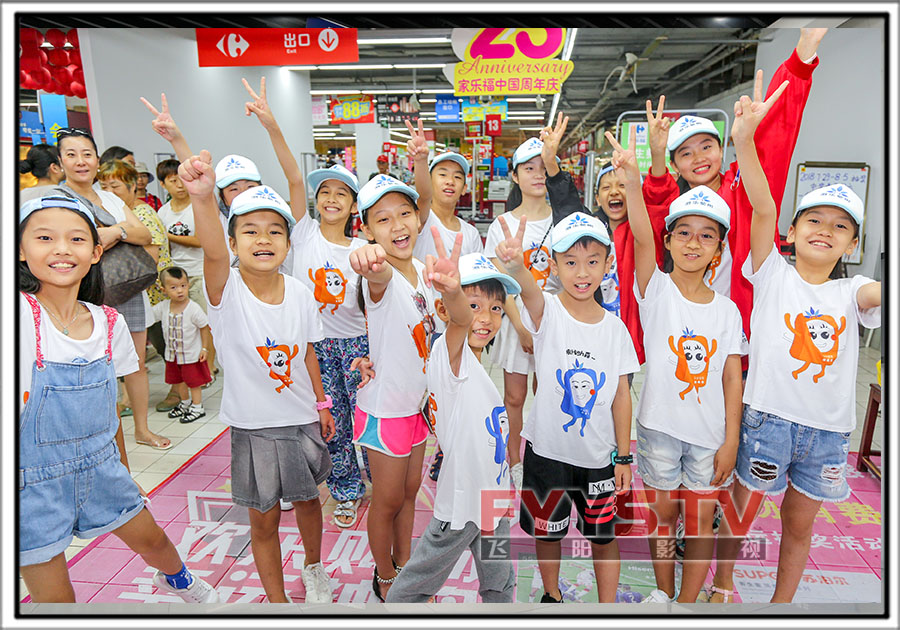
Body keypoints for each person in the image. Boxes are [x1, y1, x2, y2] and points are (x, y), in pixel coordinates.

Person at [704, 77, 881, 604]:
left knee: (799, 526)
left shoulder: (854, 292)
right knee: (741, 511)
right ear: (794, 230)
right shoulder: (772, 274)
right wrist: (743, 142)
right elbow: (760, 206)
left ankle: (782, 606)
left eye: (840, 226)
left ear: (853, 242)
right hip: (767, 421)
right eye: (813, 219)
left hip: (828, 434)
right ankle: (723, 584)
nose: (824, 230)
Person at [17, 193, 218, 603]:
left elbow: (110, 408)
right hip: (30, 485)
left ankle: (178, 578)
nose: (60, 249)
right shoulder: (20, 316)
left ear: (96, 252)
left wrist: (125, 473)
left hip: (102, 467)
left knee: (156, 542)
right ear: (20, 250)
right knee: (57, 601)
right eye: (43, 238)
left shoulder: (110, 324)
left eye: (75, 239)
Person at [178, 150, 336, 604]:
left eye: (274, 231)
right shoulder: (225, 292)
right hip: (254, 428)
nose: (262, 239)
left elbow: (307, 352)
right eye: (249, 230)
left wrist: (322, 404)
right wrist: (204, 198)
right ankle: (278, 602)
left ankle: (314, 567)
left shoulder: (302, 293)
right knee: (263, 519)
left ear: (288, 244)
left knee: (309, 503)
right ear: (232, 242)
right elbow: (209, 249)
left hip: (302, 418)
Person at [606, 126, 744, 604]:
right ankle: (664, 597)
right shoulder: (656, 291)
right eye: (682, 232)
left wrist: (731, 437)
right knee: (662, 518)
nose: (693, 243)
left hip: (709, 436)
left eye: (706, 236)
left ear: (718, 250)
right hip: (659, 429)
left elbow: (730, 378)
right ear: (668, 242)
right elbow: (641, 236)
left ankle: (689, 602)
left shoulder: (727, 312)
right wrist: (630, 177)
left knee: (702, 519)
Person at [642, 29, 828, 347]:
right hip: (686, 330)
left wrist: (802, 58)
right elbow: (655, 208)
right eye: (686, 153)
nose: (699, 158)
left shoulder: (741, 186)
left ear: (721, 149)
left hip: (744, 328)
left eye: (706, 146)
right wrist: (657, 155)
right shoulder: (678, 205)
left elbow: (773, 141)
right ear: (675, 165)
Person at [242, 76, 369, 525]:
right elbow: (292, 175)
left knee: (366, 416)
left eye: (342, 193)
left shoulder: (362, 247)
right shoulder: (304, 232)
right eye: (325, 192)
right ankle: (346, 488)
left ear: (354, 206)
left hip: (357, 346)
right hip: (313, 347)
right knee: (330, 421)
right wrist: (272, 125)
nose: (331, 197)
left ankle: (377, 473)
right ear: (315, 202)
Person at [494, 210, 638, 603]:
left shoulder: (616, 329)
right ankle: (552, 594)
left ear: (608, 264)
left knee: (604, 537)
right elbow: (528, 290)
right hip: (546, 454)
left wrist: (623, 457)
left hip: (598, 458)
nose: (582, 272)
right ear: (555, 265)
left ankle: (606, 606)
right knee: (547, 531)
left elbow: (622, 394)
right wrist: (517, 267)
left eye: (593, 262)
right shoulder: (548, 313)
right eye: (571, 262)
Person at [385, 243, 517, 603]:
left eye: (495, 309)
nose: (486, 318)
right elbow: (459, 320)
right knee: (414, 587)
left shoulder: (474, 365)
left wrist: (504, 486)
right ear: (445, 307)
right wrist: (455, 293)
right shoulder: (448, 355)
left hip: (491, 503)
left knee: (500, 582)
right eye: (475, 307)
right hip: (460, 507)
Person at [349, 174, 436, 601]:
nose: (398, 225)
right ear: (366, 228)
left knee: (409, 493)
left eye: (405, 213)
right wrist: (368, 260)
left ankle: (405, 564)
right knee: (385, 501)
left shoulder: (423, 270)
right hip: (385, 411)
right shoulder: (378, 276)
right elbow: (373, 274)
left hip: (417, 408)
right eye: (382, 219)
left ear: (419, 217)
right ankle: (385, 576)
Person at [55, 128, 169, 450]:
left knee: (134, 362)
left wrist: (114, 231)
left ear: (97, 160)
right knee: (90, 363)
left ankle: (142, 430)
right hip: (83, 291)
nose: (80, 162)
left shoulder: (110, 198)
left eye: (87, 154)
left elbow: (145, 235)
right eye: (72, 155)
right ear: (60, 161)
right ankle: (99, 435)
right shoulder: (57, 200)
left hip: (126, 286)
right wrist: (118, 232)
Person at [405, 118, 483, 482]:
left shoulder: (470, 233)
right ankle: (404, 453)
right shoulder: (420, 218)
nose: (450, 181)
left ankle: (446, 451)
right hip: (420, 326)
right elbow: (420, 195)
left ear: (466, 185)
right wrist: (421, 160)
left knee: (455, 393)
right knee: (417, 396)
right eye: (442, 174)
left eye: (458, 176)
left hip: (456, 328)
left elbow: (477, 285)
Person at [483, 134, 562, 491]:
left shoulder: (563, 220)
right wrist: (521, 327)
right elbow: (497, 284)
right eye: (528, 168)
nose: (537, 174)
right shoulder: (501, 226)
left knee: (549, 393)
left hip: (555, 321)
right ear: (514, 175)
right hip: (517, 325)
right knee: (514, 397)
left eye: (543, 167)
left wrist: (545, 326)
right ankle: (514, 460)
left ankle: (546, 455)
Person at [97, 159, 173, 437]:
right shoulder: (89, 202)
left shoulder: (135, 211)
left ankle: (144, 426)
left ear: (132, 187)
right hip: (102, 291)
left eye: (114, 185)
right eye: (104, 185)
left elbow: (149, 244)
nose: (109, 190)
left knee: (144, 357)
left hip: (133, 289)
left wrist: (115, 233)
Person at [152, 266, 212, 423]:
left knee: (194, 382)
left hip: (191, 355)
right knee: (178, 381)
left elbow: (205, 327)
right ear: (163, 289)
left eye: (183, 286)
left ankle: (198, 406)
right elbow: (149, 316)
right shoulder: (164, 307)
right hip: (172, 355)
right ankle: (185, 403)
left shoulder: (193, 308)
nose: (180, 291)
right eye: (173, 287)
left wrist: (204, 348)